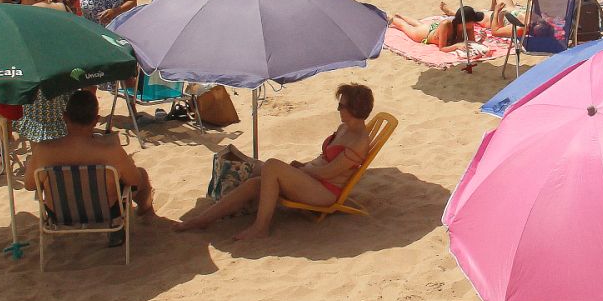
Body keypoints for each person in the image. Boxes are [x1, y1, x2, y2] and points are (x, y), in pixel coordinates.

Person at [177, 84, 374, 241]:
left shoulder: (358, 141)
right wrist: (302, 165)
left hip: (325, 192)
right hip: (314, 181)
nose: (338, 108)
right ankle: (203, 220)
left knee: (271, 166)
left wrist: (300, 171)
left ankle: (260, 228)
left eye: (341, 105)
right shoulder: (344, 128)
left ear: (354, 109)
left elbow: (329, 173)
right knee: (256, 182)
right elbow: (323, 160)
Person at [23, 89, 155, 225]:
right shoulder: (110, 151)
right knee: (142, 175)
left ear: (64, 116)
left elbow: (30, 185)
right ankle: (144, 210)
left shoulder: (44, 151)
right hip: (106, 211)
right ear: (96, 120)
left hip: (59, 214)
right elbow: (135, 181)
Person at [389, 7, 485, 50]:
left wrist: (481, 40)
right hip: (426, 34)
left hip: (434, 28)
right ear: (465, 21)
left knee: (419, 24)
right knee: (404, 27)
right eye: (472, 21)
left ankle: (401, 15)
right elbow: (442, 48)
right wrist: (456, 46)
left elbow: (472, 42)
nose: (474, 23)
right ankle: (389, 17)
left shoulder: (468, 26)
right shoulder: (446, 25)